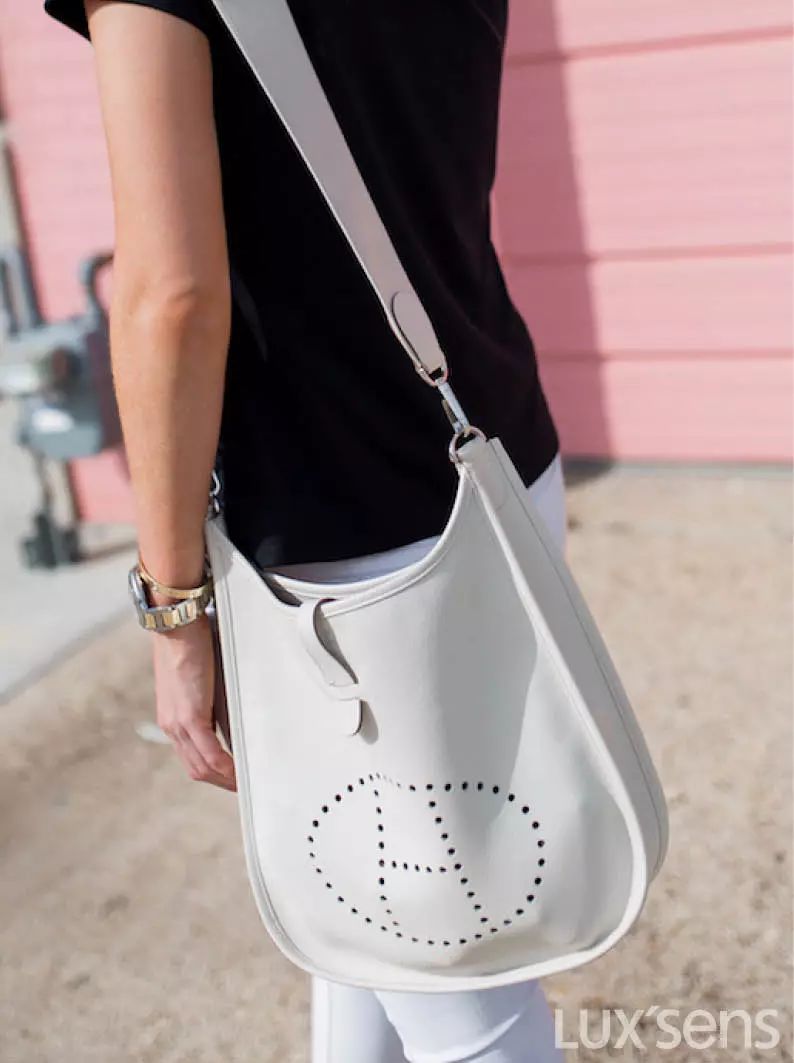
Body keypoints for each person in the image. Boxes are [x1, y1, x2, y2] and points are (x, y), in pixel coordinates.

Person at [43, 0, 566, 1058]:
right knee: (364, 940)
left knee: (462, 990)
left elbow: (171, 298)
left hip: (342, 545)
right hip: (495, 456)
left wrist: (173, 607)